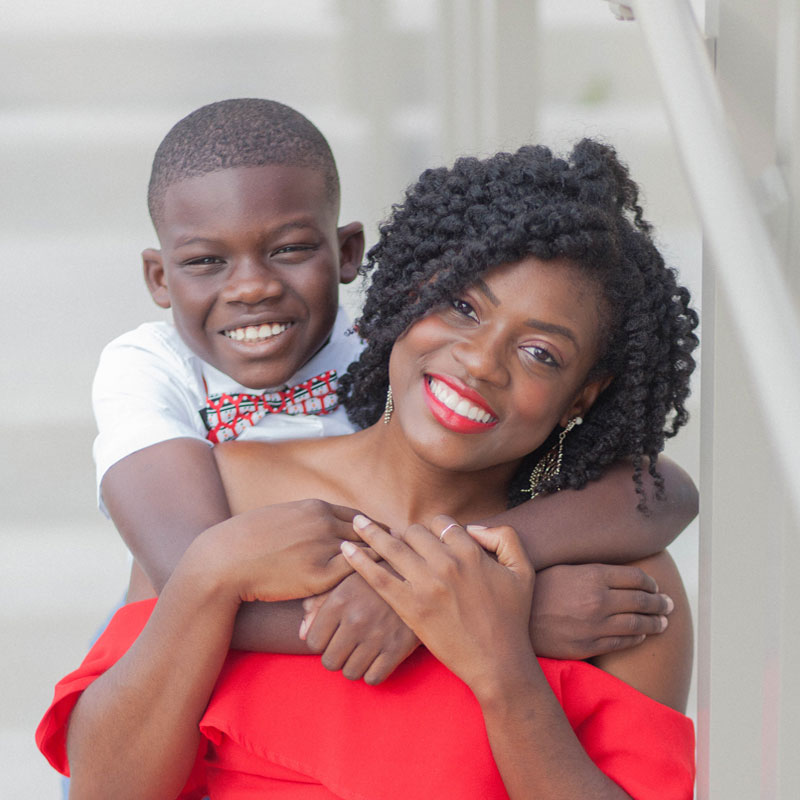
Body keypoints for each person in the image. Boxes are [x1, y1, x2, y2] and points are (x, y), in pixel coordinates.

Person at [39, 139, 698, 798]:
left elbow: (667, 493)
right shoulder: (230, 503)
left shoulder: (618, 589)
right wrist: (214, 574)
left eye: (539, 353)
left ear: (582, 395)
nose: (478, 361)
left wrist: (501, 664)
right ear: (412, 291)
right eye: (462, 308)